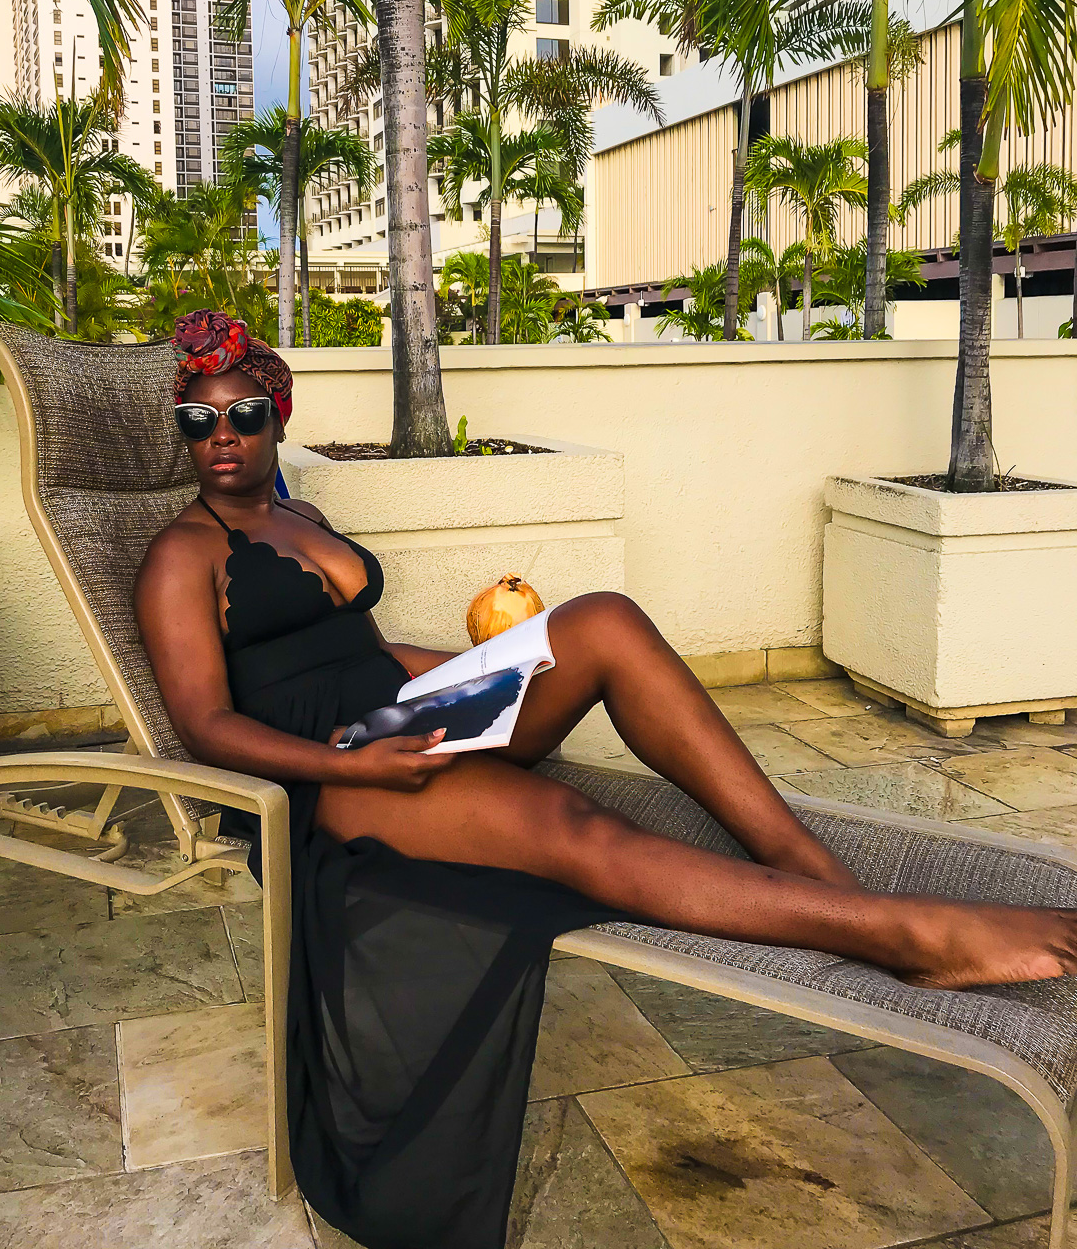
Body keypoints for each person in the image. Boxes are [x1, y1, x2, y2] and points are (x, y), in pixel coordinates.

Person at [135, 309, 1077, 1249]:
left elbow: (360, 648)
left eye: (243, 415)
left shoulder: (301, 513)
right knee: (580, 832)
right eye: (199, 421)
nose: (221, 437)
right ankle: (907, 935)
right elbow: (206, 725)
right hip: (332, 774)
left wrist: (482, 676)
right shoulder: (182, 556)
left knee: (603, 619)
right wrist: (354, 759)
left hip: (401, 717)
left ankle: (799, 855)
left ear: (279, 418)